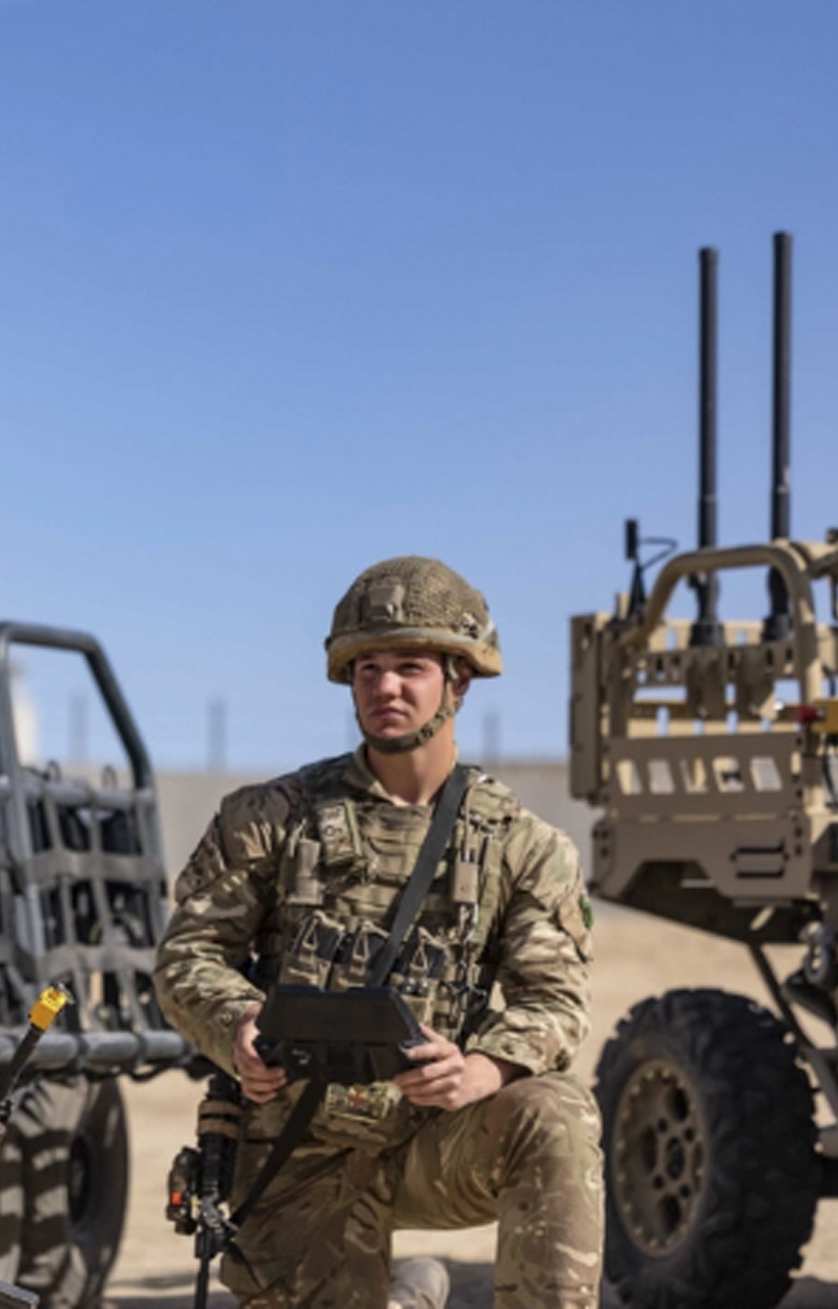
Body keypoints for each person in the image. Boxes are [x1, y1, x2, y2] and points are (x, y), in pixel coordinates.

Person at [153, 556, 604, 1309]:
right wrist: (237, 1025)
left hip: (437, 1139)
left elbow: (554, 1002)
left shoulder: (525, 846)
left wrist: (484, 1070)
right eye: (366, 668)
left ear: (458, 680)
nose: (384, 687)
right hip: (297, 1140)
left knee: (553, 1110)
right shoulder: (270, 818)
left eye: (409, 667)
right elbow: (189, 956)